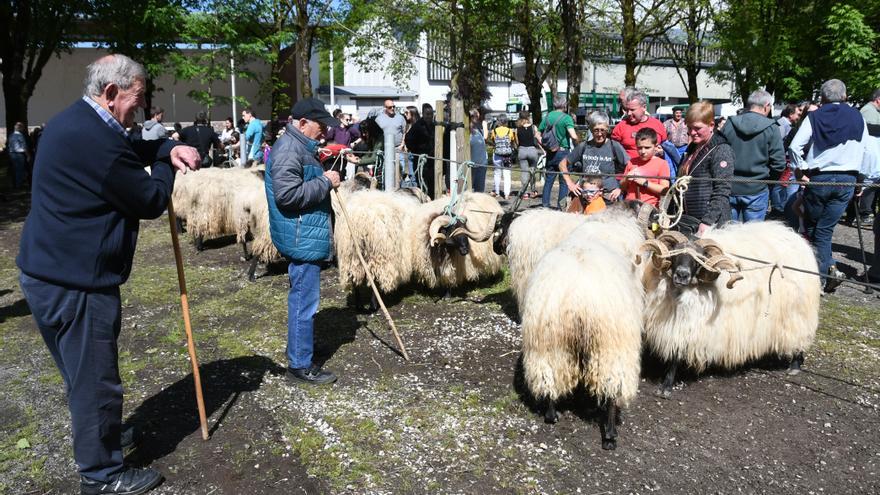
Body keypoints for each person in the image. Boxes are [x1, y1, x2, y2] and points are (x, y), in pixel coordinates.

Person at [16, 54, 200, 495]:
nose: (139, 107)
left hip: (45, 272)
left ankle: (104, 438)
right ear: (112, 92)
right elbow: (150, 199)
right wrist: (165, 163)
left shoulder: (71, 122)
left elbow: (121, 147)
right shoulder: (94, 141)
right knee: (95, 381)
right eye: (136, 99)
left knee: (82, 376)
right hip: (77, 284)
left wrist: (160, 146)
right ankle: (102, 475)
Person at [265, 97, 341, 385]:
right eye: (320, 126)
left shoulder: (300, 147)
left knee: (304, 297)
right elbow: (287, 196)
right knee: (304, 300)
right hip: (300, 235)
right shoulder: (288, 150)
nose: (323, 132)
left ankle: (301, 347)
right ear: (302, 122)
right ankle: (299, 365)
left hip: (303, 233)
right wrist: (325, 182)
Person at [789, 79, 871, 292]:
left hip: (821, 178)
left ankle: (823, 275)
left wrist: (801, 169)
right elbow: (867, 151)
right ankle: (827, 270)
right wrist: (862, 179)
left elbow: (795, 146)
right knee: (822, 229)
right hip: (848, 180)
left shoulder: (814, 116)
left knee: (817, 229)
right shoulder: (858, 117)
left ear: (823, 98)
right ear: (844, 96)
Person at [720, 89, 785, 222]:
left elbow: (718, 153)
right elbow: (779, 163)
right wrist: (769, 182)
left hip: (730, 186)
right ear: (767, 106)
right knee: (754, 237)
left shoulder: (729, 124)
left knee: (728, 235)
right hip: (757, 188)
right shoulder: (772, 127)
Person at [675, 101, 735, 236]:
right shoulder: (693, 148)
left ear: (711, 125)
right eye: (689, 128)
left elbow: (722, 189)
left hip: (710, 224)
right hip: (689, 220)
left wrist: (708, 221)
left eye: (697, 128)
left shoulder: (721, 150)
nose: (692, 132)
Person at [561, 111, 628, 204]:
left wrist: (621, 188)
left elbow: (631, 167)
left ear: (608, 129)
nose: (599, 134)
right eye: (596, 130)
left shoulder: (614, 146)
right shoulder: (584, 146)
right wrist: (570, 183)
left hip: (608, 197)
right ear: (591, 129)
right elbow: (562, 164)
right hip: (586, 196)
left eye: (602, 130)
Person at [538, 95, 579, 208]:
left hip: (551, 153)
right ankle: (561, 206)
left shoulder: (547, 117)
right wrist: (578, 146)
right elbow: (574, 136)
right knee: (564, 181)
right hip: (563, 153)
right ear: (565, 105)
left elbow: (537, 134)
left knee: (549, 180)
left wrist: (545, 146)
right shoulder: (566, 118)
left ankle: (545, 205)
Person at [619, 128, 670, 208]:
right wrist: (627, 178)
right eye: (639, 148)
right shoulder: (632, 162)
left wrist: (645, 183)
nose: (643, 151)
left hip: (649, 208)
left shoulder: (662, 164)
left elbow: (665, 190)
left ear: (655, 146)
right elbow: (622, 187)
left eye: (647, 148)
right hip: (629, 207)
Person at [611, 89, 667, 159]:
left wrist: (662, 152)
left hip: (653, 168)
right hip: (629, 168)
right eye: (627, 110)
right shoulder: (620, 127)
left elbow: (666, 147)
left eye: (632, 110)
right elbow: (613, 150)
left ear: (644, 107)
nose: (629, 113)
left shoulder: (658, 125)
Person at [770, 103, 804, 215]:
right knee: (779, 186)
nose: (799, 116)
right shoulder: (782, 126)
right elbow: (778, 145)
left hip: (786, 161)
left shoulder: (785, 125)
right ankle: (778, 209)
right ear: (790, 114)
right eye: (797, 113)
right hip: (783, 161)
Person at [404, 105, 435, 195]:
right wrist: (416, 150)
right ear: (423, 114)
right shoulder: (417, 126)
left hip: (431, 160)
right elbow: (408, 139)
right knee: (421, 183)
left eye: (431, 114)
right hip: (420, 159)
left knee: (432, 184)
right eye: (427, 114)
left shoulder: (434, 125)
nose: (429, 116)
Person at [489, 114, 517, 198]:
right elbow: (512, 142)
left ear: (498, 121)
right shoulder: (510, 131)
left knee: (497, 173)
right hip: (507, 156)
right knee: (507, 174)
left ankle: (497, 192)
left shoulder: (494, 131)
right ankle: (506, 194)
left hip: (497, 154)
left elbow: (493, 141)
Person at [375, 99, 406, 174]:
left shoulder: (400, 118)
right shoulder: (378, 119)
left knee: (400, 171)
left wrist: (402, 145)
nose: (392, 108)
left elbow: (405, 132)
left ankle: (400, 185)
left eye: (393, 106)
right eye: (389, 107)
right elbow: (375, 135)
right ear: (385, 108)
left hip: (398, 148)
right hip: (384, 149)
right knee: (387, 172)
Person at [515, 110, 541, 198]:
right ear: (528, 117)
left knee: (524, 172)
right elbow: (537, 140)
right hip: (532, 150)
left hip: (522, 150)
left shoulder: (517, 129)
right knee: (532, 171)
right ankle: (533, 190)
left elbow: (517, 142)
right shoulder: (534, 127)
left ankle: (524, 192)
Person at [468, 109, 488, 193]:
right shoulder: (466, 132)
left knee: (479, 192)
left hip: (482, 165)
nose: (477, 118)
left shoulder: (479, 129)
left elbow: (485, 139)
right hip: (470, 166)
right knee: (467, 192)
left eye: (477, 116)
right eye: (474, 116)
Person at [7, 122, 30, 189]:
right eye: (23, 127)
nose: (23, 129)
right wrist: (28, 155)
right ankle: (18, 185)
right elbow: (24, 146)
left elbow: (9, 145)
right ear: (20, 128)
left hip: (12, 154)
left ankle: (15, 184)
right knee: (19, 169)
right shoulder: (20, 135)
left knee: (15, 169)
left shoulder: (11, 135)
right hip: (19, 154)